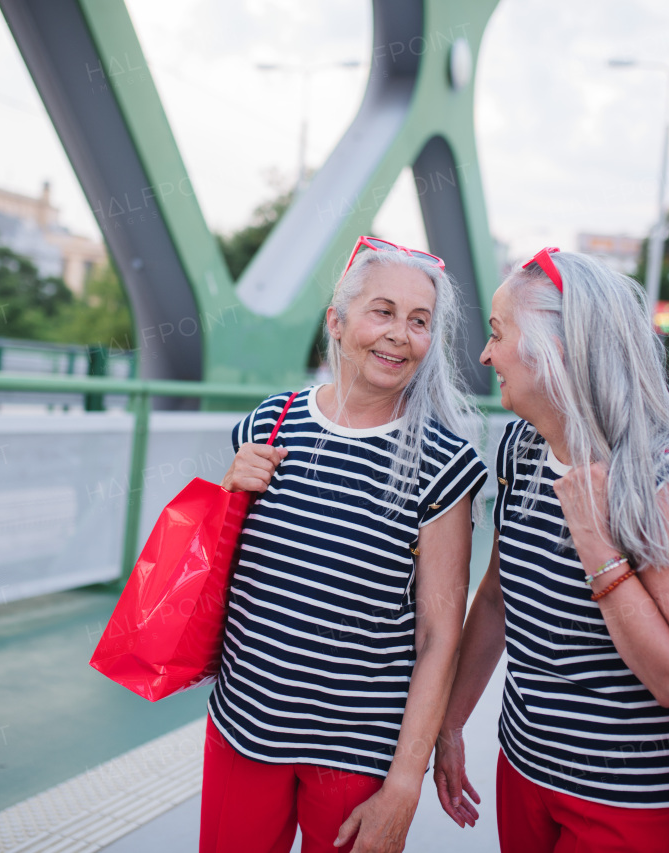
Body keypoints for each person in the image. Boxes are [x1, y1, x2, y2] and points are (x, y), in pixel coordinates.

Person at [432, 248, 669, 853]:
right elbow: (496, 599)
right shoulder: (521, 444)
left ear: (554, 350)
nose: (486, 356)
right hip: (525, 767)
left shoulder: (663, 474)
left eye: (498, 334)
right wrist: (452, 722)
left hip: (627, 796)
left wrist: (596, 542)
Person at [203, 236, 488, 853]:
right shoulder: (269, 424)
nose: (399, 335)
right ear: (336, 321)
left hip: (356, 752)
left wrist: (404, 787)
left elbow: (440, 637)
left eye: (419, 322)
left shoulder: (443, 464)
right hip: (241, 727)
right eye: (381, 311)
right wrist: (230, 486)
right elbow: (225, 564)